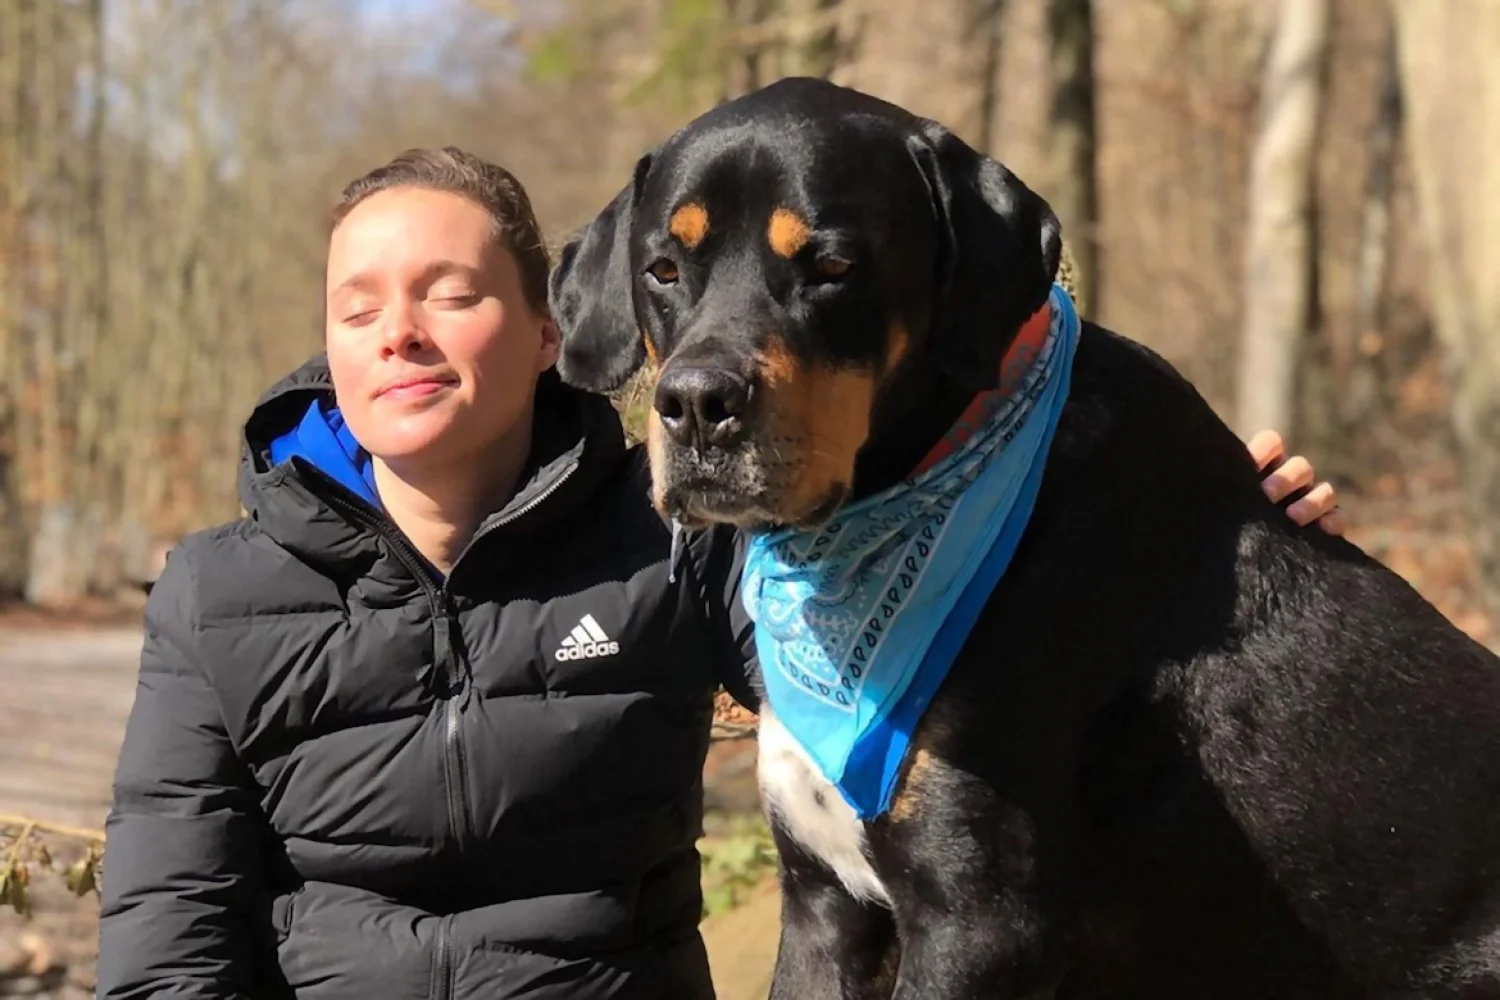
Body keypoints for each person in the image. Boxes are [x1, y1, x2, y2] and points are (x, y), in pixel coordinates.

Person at [94, 146, 1345, 1000]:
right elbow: (169, 935)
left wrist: (1192, 534)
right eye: (357, 306)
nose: (399, 334)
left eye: (450, 293)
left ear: (551, 332)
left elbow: (934, 668)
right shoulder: (217, 593)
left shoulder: (685, 548)